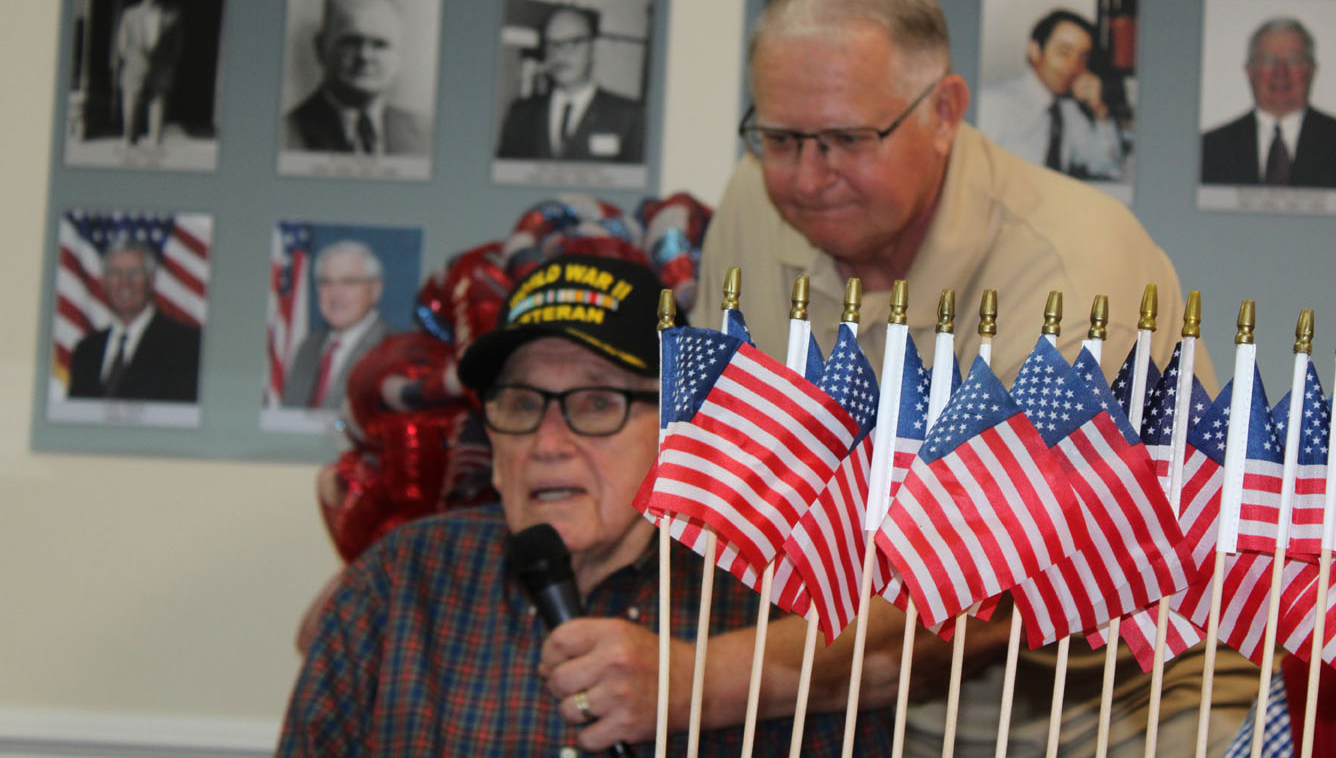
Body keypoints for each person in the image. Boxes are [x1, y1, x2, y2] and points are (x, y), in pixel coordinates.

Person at [698, 0, 1256, 755]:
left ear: (945, 110)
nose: (808, 178)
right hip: (869, 678)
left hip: (1130, 679)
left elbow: (982, 587)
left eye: (848, 139)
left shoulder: (1072, 270)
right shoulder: (755, 200)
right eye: (780, 137)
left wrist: (692, 682)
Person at [278, 254, 892, 755]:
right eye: (520, 403)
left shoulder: (770, 610)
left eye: (597, 404)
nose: (548, 444)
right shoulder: (398, 587)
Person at [1201, 17, 1336, 188]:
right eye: (1268, 61)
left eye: (1294, 60)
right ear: (1249, 70)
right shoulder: (1209, 149)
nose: (1280, 72)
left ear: (1312, 70)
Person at [976, 8, 1127, 180]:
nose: (1073, 66)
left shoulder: (1068, 110)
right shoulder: (993, 102)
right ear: (1035, 50)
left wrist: (1101, 112)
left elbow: (1107, 165)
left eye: (1082, 57)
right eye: (1064, 52)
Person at [284, 0, 429, 156]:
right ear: (321, 47)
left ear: (399, 54)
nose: (364, 56)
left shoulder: (426, 134)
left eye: (380, 44)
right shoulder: (285, 135)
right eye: (351, 42)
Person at [495, 6, 646, 163]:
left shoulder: (629, 117)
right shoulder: (520, 114)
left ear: (594, 49)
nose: (560, 54)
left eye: (574, 42)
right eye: (552, 44)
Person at [67, 237, 201, 403]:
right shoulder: (86, 352)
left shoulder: (187, 347)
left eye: (134, 273)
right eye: (115, 273)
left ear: (151, 280)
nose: (125, 283)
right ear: (104, 282)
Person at [280, 241, 393, 410]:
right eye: (326, 282)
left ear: (375, 290)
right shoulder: (308, 347)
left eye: (348, 282)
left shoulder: (392, 351)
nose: (336, 293)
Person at [111, 0, 183, 147]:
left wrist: (165, 63)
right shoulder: (130, 14)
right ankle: (128, 139)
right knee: (130, 103)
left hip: (160, 68)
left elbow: (177, 45)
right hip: (135, 67)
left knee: (157, 102)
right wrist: (133, 60)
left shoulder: (172, 15)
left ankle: (155, 140)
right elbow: (122, 44)